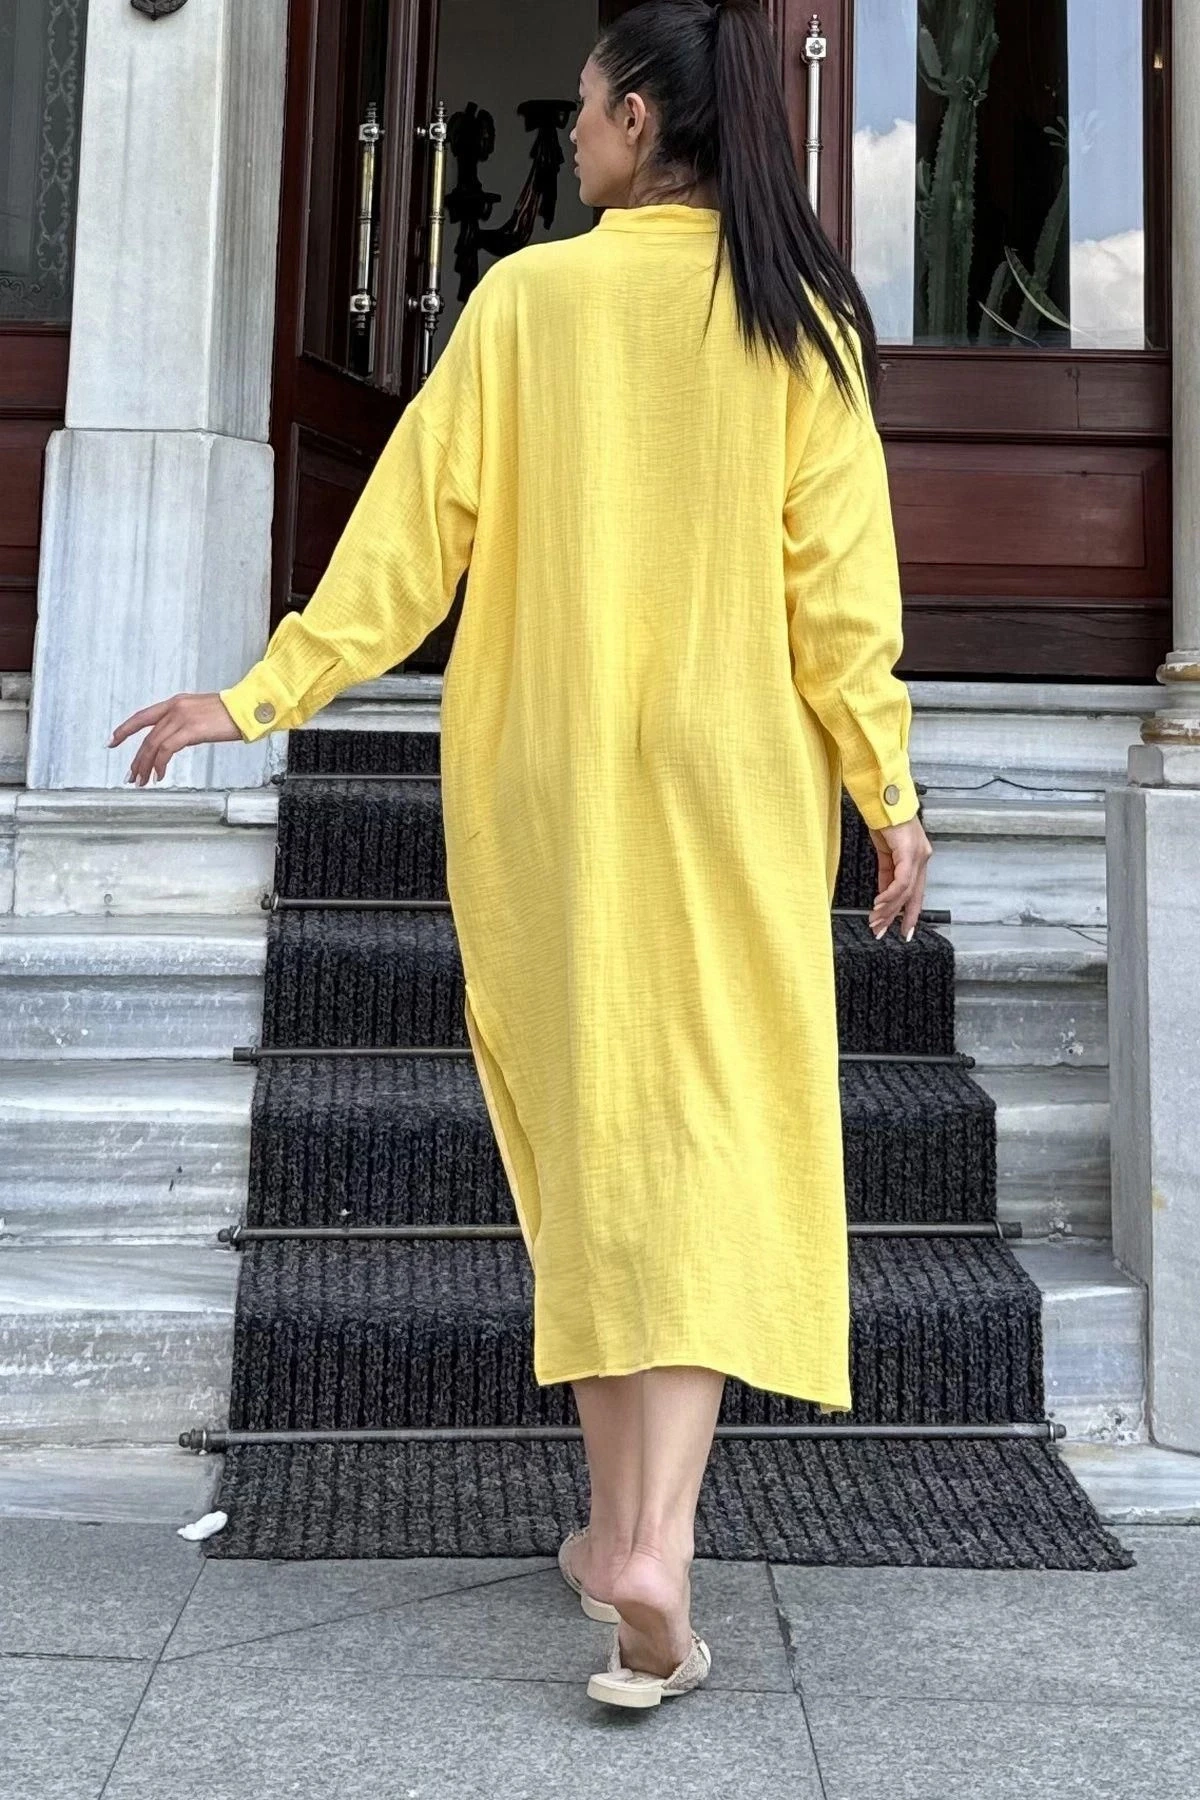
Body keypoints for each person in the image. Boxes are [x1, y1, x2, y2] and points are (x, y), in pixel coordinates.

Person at [110, 0, 932, 1709]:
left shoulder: (527, 305)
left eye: (582, 106)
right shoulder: (799, 324)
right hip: (731, 782)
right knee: (709, 1139)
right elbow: (841, 597)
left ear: (639, 123)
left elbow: (406, 546)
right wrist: (887, 791)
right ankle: (653, 1546)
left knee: (592, 1137)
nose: (569, 132)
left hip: (550, 781)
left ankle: (622, 1538)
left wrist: (259, 696)